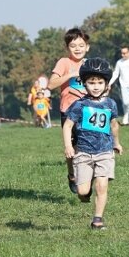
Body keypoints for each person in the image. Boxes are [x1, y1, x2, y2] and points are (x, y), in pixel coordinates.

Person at [62, 58, 123, 230]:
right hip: (83, 153)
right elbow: (67, 126)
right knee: (82, 192)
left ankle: (97, 220)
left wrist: (116, 143)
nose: (95, 86)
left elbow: (113, 125)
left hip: (105, 152)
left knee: (102, 185)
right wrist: (68, 146)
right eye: (91, 82)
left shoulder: (111, 104)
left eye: (99, 82)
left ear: (106, 84)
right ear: (84, 84)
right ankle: (84, 188)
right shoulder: (79, 105)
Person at [48, 27, 90, 193]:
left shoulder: (89, 64)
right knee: (71, 147)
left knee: (85, 145)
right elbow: (51, 84)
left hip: (87, 110)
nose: (78, 48)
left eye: (81, 45)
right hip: (68, 110)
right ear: (68, 48)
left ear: (87, 47)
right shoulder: (64, 63)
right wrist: (71, 74)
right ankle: (72, 174)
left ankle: (85, 178)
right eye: (73, 46)